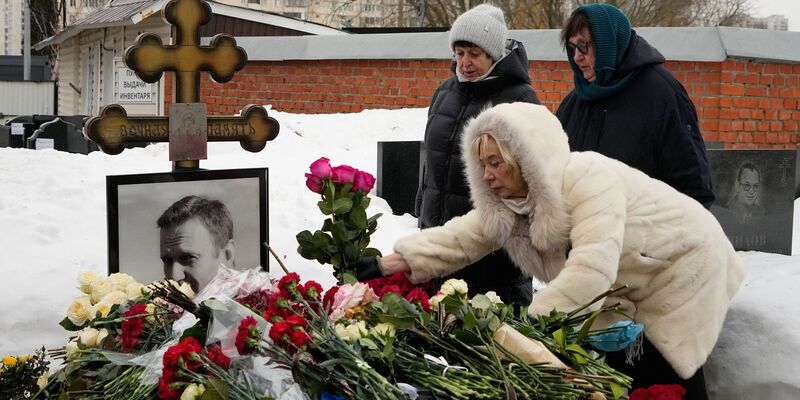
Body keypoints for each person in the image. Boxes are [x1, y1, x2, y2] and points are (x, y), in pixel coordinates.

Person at [379, 103, 745, 400]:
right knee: (615, 373)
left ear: (525, 159)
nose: (487, 175)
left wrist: (532, 327)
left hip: (682, 264)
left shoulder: (588, 179)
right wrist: (388, 264)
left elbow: (592, 268)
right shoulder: (511, 202)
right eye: (481, 165)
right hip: (626, 283)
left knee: (663, 373)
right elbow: (461, 238)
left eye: (496, 162)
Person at [410, 3, 540, 306]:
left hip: (493, 253)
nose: (465, 62)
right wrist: (423, 214)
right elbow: (432, 159)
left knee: (488, 341)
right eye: (459, 53)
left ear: (493, 55)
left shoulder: (520, 100)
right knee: (438, 334)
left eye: (475, 54)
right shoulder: (444, 92)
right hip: (440, 240)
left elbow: (532, 179)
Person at [555, 4, 715, 209]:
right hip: (583, 236)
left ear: (608, 43)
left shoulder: (662, 96)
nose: (577, 56)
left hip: (643, 236)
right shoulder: (575, 102)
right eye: (572, 48)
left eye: (584, 46)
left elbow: (693, 187)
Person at [158, 195, 235, 293]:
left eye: (187, 258)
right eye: (167, 260)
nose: (174, 277)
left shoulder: (257, 305)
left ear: (227, 255)